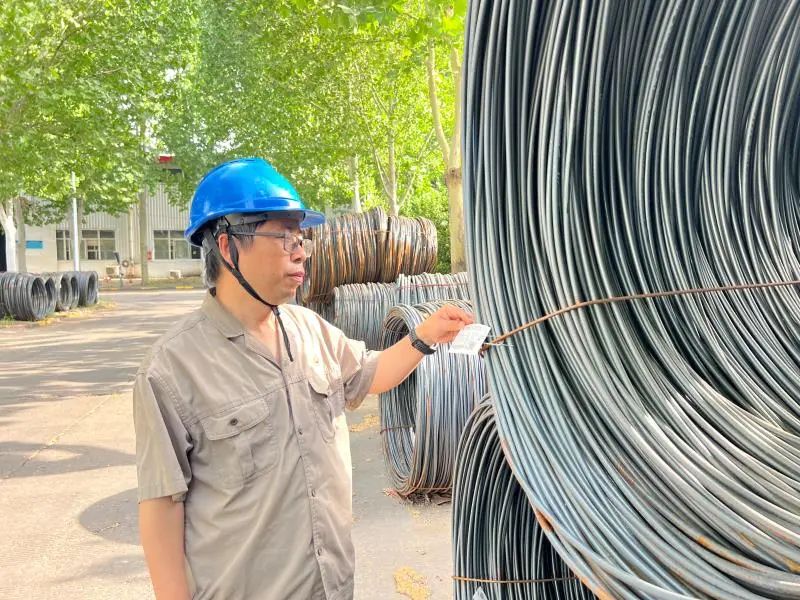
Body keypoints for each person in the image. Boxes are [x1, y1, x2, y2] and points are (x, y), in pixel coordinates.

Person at [133, 157, 473, 600]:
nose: (300, 252)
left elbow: (371, 375)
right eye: (283, 237)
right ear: (228, 246)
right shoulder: (173, 369)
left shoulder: (309, 329)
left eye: (301, 239)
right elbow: (162, 504)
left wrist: (426, 336)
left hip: (331, 586)